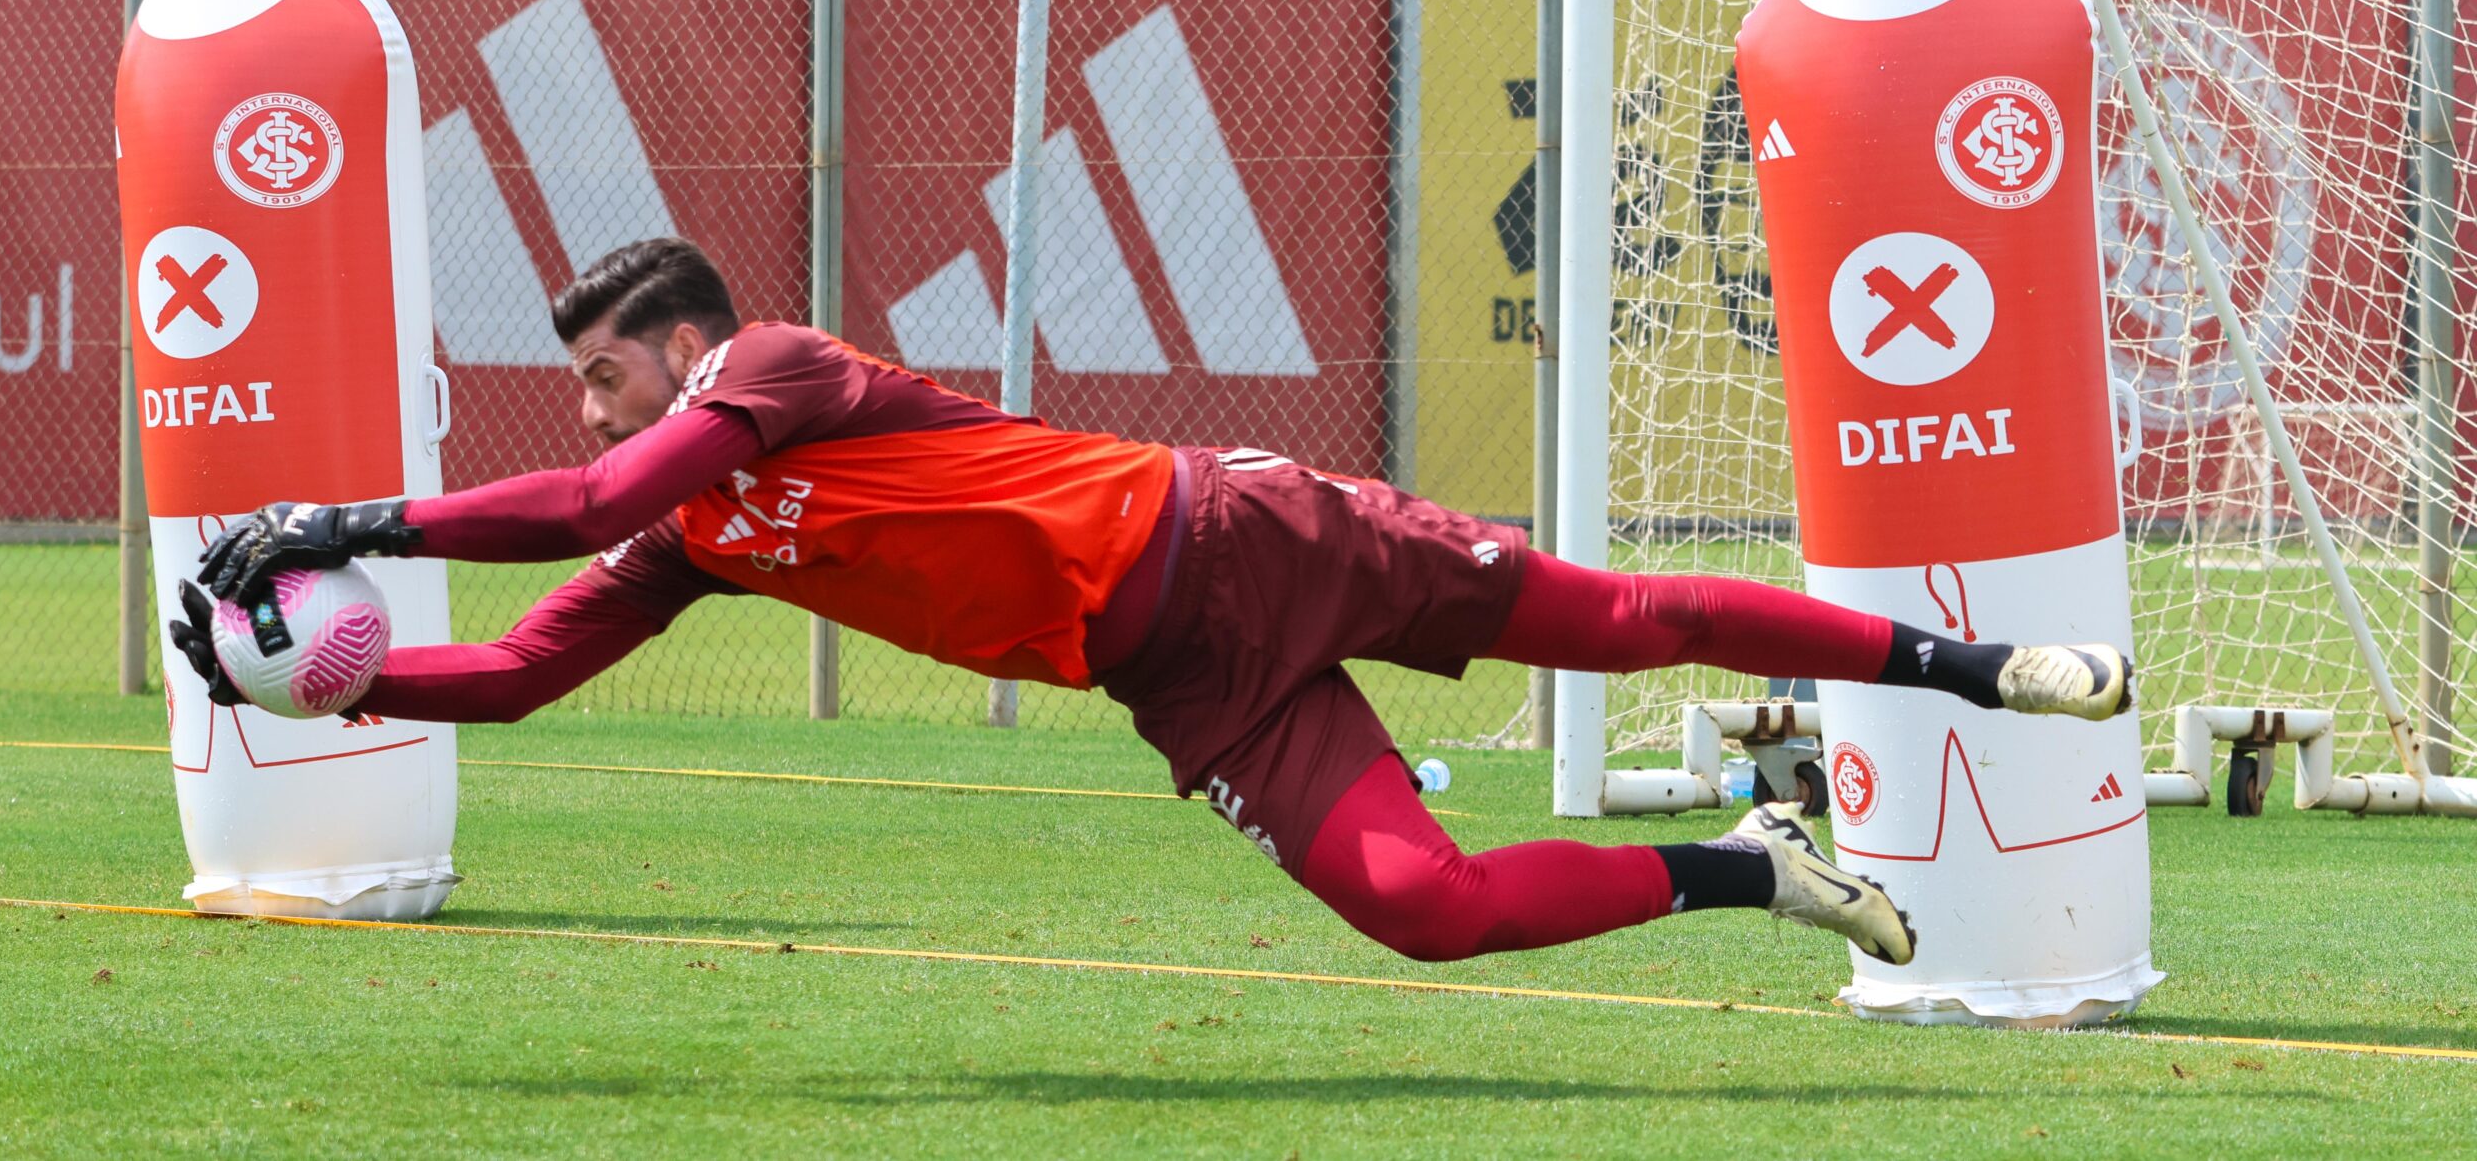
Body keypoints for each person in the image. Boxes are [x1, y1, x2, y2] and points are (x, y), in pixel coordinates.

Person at [175, 237, 2131, 968]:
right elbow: (515, 674)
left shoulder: (769, 361)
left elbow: (597, 484)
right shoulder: (696, 529)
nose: (586, 405)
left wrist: (342, 515)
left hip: (1235, 531)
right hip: (1172, 668)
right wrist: (317, 676)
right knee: (1422, 911)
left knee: (1616, 619)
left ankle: (1967, 662)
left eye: (600, 364)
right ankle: (1747, 864)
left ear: (675, 345)